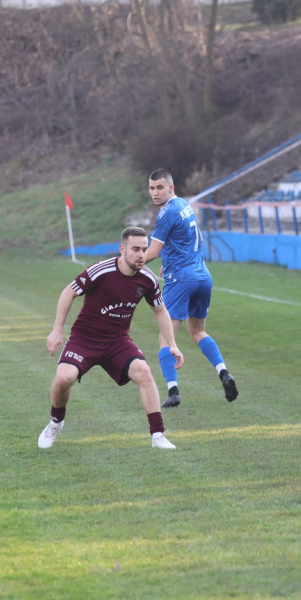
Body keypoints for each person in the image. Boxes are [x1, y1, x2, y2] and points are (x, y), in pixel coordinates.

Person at [38, 226, 185, 451]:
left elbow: (160, 310)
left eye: (144, 249)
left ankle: (158, 435)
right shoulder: (100, 271)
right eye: (135, 249)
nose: (141, 255)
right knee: (63, 379)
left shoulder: (148, 279)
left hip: (117, 341)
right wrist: (57, 330)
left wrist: (172, 345)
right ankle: (56, 422)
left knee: (144, 372)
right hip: (84, 339)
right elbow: (69, 292)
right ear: (122, 249)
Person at [145, 168, 237, 409]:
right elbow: (197, 240)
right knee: (197, 332)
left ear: (171, 188)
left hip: (180, 280)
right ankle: (224, 372)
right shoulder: (185, 205)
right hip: (203, 277)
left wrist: (125, 265)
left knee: (166, 337)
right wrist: (170, 259)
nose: (155, 193)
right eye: (152, 188)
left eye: (160, 188)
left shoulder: (166, 213)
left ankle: (173, 391)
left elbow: (152, 252)